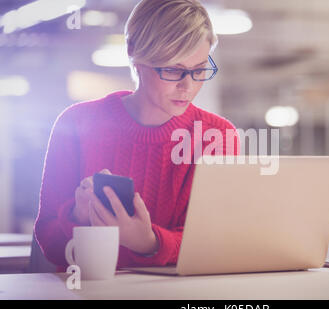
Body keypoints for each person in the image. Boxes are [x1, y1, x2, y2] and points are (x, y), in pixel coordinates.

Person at [34, 0, 240, 270]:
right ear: (133, 52)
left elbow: (216, 243)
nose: (187, 86)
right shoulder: (76, 124)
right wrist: (77, 216)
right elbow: (49, 244)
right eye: (172, 70)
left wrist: (148, 242)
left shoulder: (218, 135)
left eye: (200, 69)